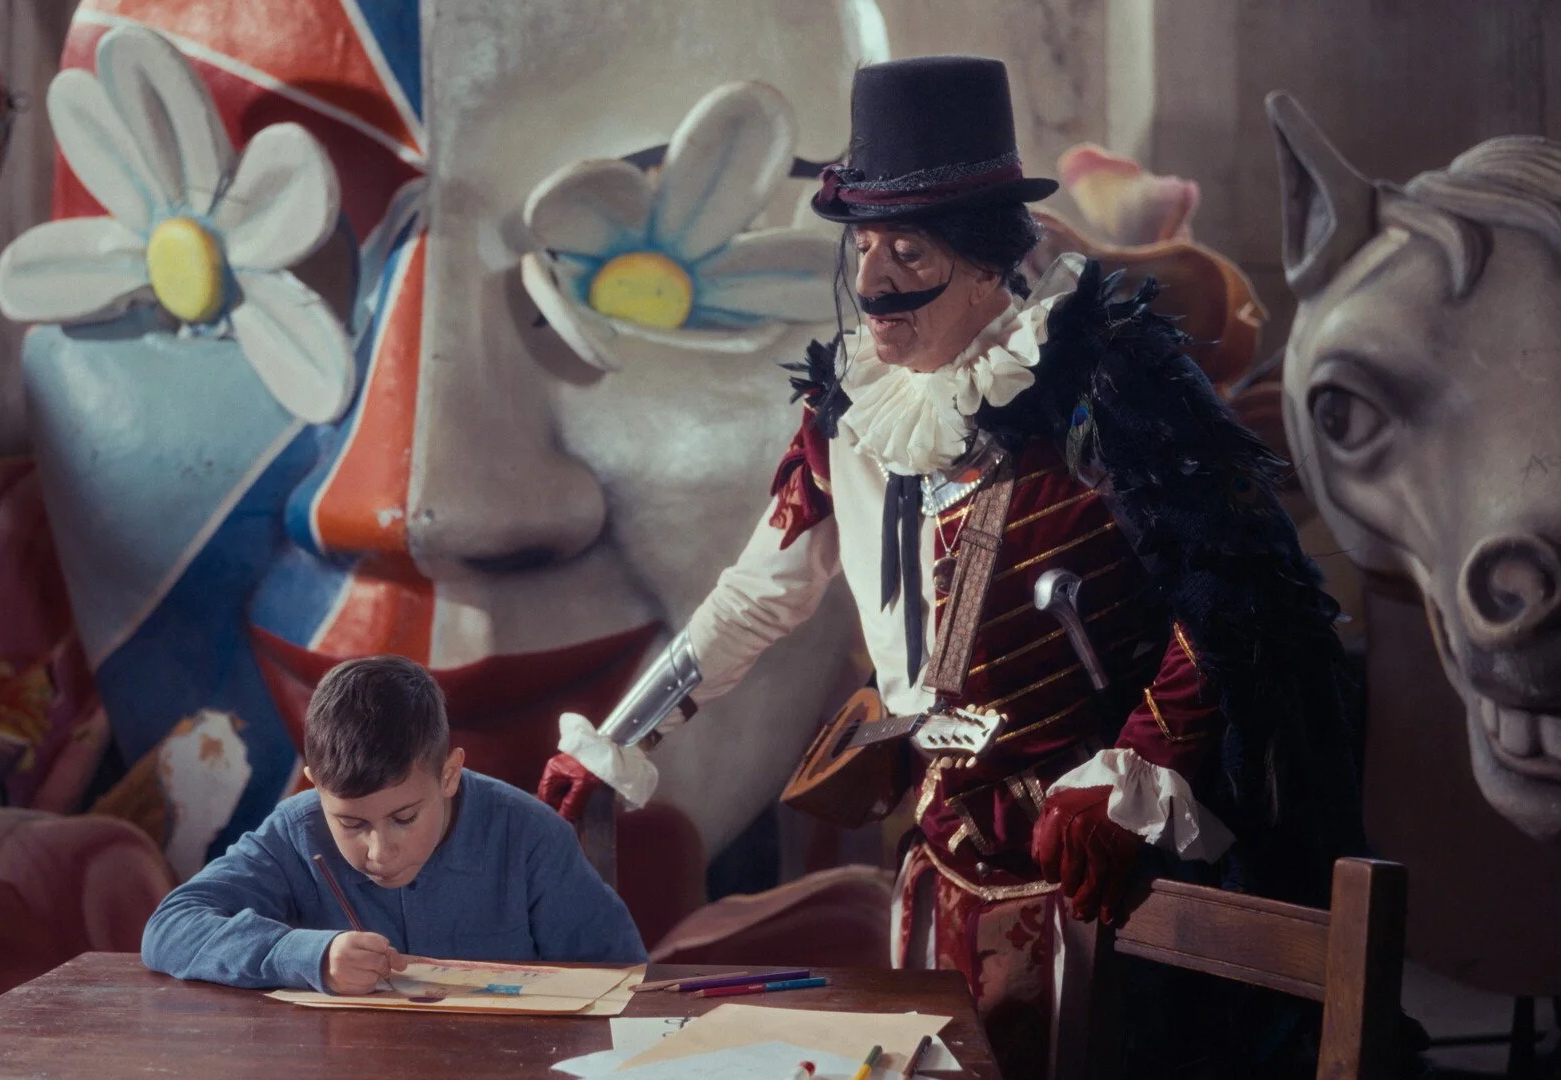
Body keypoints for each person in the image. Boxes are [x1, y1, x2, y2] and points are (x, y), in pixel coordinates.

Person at [538, 56, 1363, 1078]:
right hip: (941, 846)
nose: (877, 282)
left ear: (986, 264)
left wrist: (1132, 775)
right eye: (867, 246)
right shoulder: (850, 412)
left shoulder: (1112, 392)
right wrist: (618, 739)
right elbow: (760, 594)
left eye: (910, 248)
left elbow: (1238, 598)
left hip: (1104, 864)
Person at [143, 655, 645, 992]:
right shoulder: (295, 831)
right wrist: (303, 955)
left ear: (449, 774)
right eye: (351, 823)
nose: (380, 853)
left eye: (404, 818)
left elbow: (623, 980)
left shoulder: (531, 838)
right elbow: (169, 928)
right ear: (316, 785)